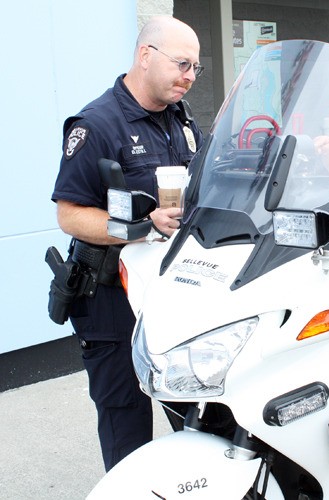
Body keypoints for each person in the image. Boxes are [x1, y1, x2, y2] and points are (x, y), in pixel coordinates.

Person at [51, 16, 203, 471]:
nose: (189, 76)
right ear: (145, 55)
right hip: (110, 299)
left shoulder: (180, 118)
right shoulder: (97, 125)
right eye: (181, 64)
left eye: (196, 67)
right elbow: (70, 215)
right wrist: (140, 228)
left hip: (171, 293)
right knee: (127, 430)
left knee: (196, 418)